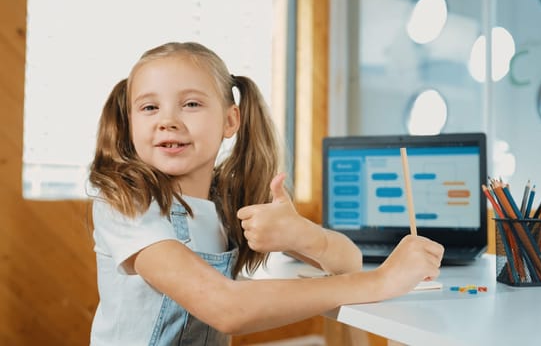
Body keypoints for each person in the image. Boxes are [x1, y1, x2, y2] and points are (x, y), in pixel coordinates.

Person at [88, 41, 444, 346]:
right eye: (149, 107)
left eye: (191, 104)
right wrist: (381, 281)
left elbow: (347, 262)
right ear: (131, 122)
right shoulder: (125, 202)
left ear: (231, 121)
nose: (167, 120)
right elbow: (226, 308)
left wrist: (302, 235)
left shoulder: (228, 202)